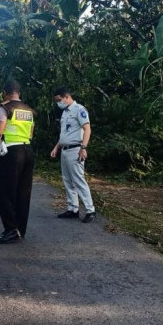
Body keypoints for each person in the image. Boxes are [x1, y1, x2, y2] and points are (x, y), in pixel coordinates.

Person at [0, 80, 35, 243]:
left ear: (5, 93)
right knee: (23, 192)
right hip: (28, 151)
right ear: (18, 93)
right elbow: (31, 133)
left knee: (3, 192)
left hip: (11, 153)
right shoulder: (29, 110)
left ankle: (11, 230)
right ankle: (20, 229)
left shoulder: (4, 109)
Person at [49, 86, 96, 223]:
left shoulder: (79, 110)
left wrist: (84, 147)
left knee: (78, 180)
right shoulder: (65, 112)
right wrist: (56, 147)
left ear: (67, 97)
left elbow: (87, 129)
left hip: (76, 149)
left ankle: (90, 209)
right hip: (65, 150)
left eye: (59, 100)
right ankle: (73, 208)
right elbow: (64, 134)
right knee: (67, 180)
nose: (58, 103)